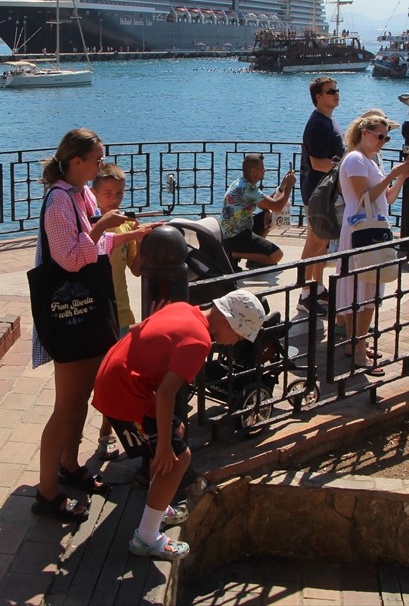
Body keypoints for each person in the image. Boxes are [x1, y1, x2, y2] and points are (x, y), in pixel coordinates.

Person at [31, 129, 154, 523]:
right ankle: (46, 493)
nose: (101, 164)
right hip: (70, 315)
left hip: (86, 312)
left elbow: (94, 248)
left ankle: (70, 466)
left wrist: (132, 234)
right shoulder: (58, 201)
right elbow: (69, 259)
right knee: (66, 406)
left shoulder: (79, 195)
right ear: (77, 161)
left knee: (81, 397)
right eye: (97, 159)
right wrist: (102, 227)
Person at [92, 290, 267, 560]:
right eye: (241, 335)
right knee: (177, 458)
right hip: (123, 393)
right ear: (229, 322)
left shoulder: (184, 309)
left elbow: (142, 331)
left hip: (117, 378)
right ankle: (146, 538)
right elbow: (165, 394)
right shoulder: (199, 342)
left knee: (177, 431)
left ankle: (158, 504)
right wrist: (163, 446)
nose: (237, 342)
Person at [335, 114, 409, 376]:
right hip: (360, 228)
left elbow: (386, 199)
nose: (383, 141)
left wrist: (400, 179)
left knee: (367, 287)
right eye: (380, 136)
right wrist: (392, 174)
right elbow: (364, 198)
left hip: (372, 226)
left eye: (386, 138)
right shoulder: (355, 159)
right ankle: (358, 349)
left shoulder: (370, 160)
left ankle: (356, 344)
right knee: (361, 288)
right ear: (365, 133)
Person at [90, 162, 153, 461]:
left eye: (119, 193)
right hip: (93, 313)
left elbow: (137, 270)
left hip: (121, 314)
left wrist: (140, 239)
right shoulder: (89, 225)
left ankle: (106, 437)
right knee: (91, 379)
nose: (113, 199)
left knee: (115, 379)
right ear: (94, 193)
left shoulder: (127, 226)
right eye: (107, 193)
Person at [299, 77, 345, 315]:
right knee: (315, 242)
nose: (336, 94)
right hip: (318, 192)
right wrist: (345, 169)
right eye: (331, 91)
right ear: (318, 97)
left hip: (324, 191)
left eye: (337, 90)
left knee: (322, 242)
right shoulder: (318, 124)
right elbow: (317, 162)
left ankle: (317, 287)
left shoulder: (328, 121)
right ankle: (305, 294)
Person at [220, 152, 295, 269]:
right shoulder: (248, 189)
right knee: (276, 255)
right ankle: (233, 254)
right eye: (262, 168)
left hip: (236, 230)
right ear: (254, 171)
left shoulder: (241, 183)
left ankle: (253, 259)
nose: (265, 170)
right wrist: (289, 186)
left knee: (267, 215)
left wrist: (282, 186)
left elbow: (267, 205)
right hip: (235, 236)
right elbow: (277, 207)